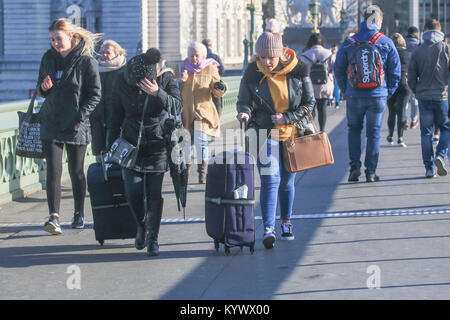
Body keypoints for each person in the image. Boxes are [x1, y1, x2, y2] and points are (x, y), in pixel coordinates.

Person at [236, 19, 315, 249]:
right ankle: (268, 228)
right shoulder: (252, 73)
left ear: (280, 54)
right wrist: (243, 113)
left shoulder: (299, 70)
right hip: (264, 132)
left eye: (270, 57)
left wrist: (287, 118)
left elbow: (310, 104)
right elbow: (244, 101)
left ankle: (286, 222)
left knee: (288, 182)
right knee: (271, 179)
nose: (266, 62)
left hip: (292, 133)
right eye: (262, 57)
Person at [107, 48, 182, 256]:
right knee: (133, 192)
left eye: (141, 83)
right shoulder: (122, 80)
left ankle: (153, 238)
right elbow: (114, 116)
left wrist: (157, 93)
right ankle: (141, 225)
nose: (138, 86)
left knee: (154, 193)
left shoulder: (165, 78)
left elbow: (178, 107)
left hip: (157, 143)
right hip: (130, 144)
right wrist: (109, 147)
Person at [36, 18, 102, 235]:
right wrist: (44, 89)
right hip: (52, 121)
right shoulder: (48, 58)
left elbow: (95, 95)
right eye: (52, 39)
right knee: (53, 171)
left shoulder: (86, 62)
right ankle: (54, 217)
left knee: (76, 171)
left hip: (76, 124)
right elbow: (40, 89)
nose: (55, 43)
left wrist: (80, 116)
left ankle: (79, 212)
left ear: (71, 37)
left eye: (58, 39)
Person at [334, 5, 401, 183]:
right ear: (378, 21)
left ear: (364, 19)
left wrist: (346, 89)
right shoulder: (385, 42)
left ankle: (354, 166)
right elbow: (396, 72)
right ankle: (370, 172)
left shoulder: (350, 42)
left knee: (354, 130)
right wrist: (387, 92)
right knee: (374, 133)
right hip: (377, 95)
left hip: (355, 95)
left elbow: (338, 69)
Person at [179, 42, 227, 184]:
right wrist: (180, 82)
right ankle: (185, 174)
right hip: (186, 113)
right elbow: (174, 91)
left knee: (201, 143)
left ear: (204, 56)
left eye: (197, 55)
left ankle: (202, 175)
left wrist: (219, 88)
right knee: (188, 145)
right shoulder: (182, 68)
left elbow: (217, 92)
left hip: (203, 113)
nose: (194, 58)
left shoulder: (211, 68)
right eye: (191, 55)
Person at [408, 19, 450, 178]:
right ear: (440, 31)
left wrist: (416, 90)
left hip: (424, 97)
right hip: (442, 96)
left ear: (425, 30)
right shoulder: (446, 49)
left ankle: (429, 168)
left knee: (426, 133)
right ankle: (441, 155)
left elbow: (411, 76)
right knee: (446, 128)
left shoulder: (418, 51)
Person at [90, 40, 127, 159]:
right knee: (99, 154)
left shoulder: (124, 71)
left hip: (118, 119)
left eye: (108, 52)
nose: (104, 55)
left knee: (116, 152)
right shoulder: (95, 70)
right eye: (102, 53)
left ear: (117, 53)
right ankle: (101, 176)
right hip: (97, 118)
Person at [300, 33, 335, 132]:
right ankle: (322, 130)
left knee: (311, 109)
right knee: (322, 108)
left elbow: (300, 71)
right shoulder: (329, 54)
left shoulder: (305, 55)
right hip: (325, 86)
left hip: (310, 86)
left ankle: (313, 130)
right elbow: (335, 67)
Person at [386, 33, 411, 148]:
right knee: (401, 111)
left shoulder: (389, 53)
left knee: (392, 111)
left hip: (391, 84)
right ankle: (400, 138)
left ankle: (390, 136)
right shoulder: (407, 54)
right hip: (404, 84)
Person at [202, 38, 225, 118]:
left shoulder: (201, 57)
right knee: (216, 108)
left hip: (203, 86)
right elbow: (222, 70)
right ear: (211, 46)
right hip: (215, 86)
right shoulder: (215, 57)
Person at [405, 26, 420, 129]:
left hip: (404, 76)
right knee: (414, 100)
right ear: (416, 34)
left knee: (405, 100)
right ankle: (414, 120)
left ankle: (404, 119)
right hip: (415, 76)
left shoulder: (403, 44)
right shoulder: (419, 46)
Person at [331, 44, 341, 109]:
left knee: (337, 88)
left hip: (337, 74)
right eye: (333, 49)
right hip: (331, 75)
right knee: (332, 87)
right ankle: (332, 99)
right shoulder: (330, 56)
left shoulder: (339, 56)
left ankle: (337, 101)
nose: (334, 50)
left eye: (335, 49)